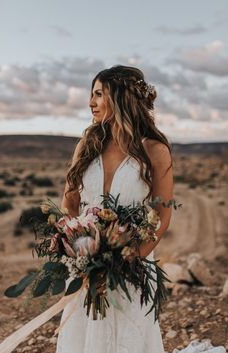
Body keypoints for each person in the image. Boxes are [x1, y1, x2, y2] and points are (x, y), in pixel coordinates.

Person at [56, 65, 174, 353]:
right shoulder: (87, 145)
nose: (90, 102)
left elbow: (162, 216)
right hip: (85, 264)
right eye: (91, 94)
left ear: (120, 98)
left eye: (98, 94)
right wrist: (78, 252)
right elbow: (69, 204)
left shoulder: (155, 150)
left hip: (133, 268)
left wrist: (125, 263)